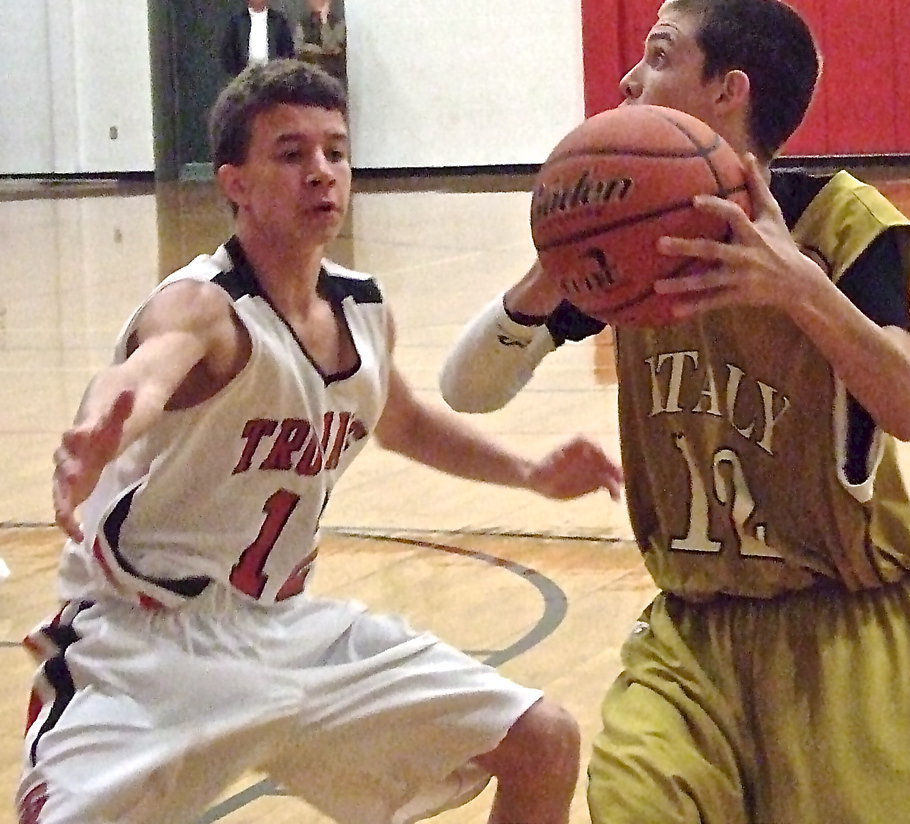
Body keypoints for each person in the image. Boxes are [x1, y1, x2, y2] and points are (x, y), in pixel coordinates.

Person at [440, 0, 910, 823]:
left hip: (847, 632)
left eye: (660, 55)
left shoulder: (841, 224)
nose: (631, 78)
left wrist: (799, 290)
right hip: (692, 632)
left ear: (727, 92)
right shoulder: (635, 233)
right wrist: (547, 275)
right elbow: (467, 389)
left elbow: (909, 404)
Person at [16, 59, 623, 824]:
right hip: (145, 646)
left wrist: (529, 472)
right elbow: (149, 370)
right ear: (235, 182)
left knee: (543, 739)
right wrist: (103, 427)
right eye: (291, 153)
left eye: (335, 151)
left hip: (285, 629)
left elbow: (398, 420)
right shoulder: (205, 307)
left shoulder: (363, 309)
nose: (322, 173)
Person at [221, 0, 295, 76]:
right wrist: (236, 73)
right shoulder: (237, 21)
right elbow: (228, 49)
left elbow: (287, 48)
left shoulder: (278, 20)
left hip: (273, 75)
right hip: (245, 76)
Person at [295, 0, 348, 85]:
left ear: (329, 2)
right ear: (310, 1)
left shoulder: (338, 23)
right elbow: (299, 49)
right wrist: (321, 51)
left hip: (332, 76)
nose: (319, 2)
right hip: (309, 76)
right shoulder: (303, 23)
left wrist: (324, 21)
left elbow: (331, 47)